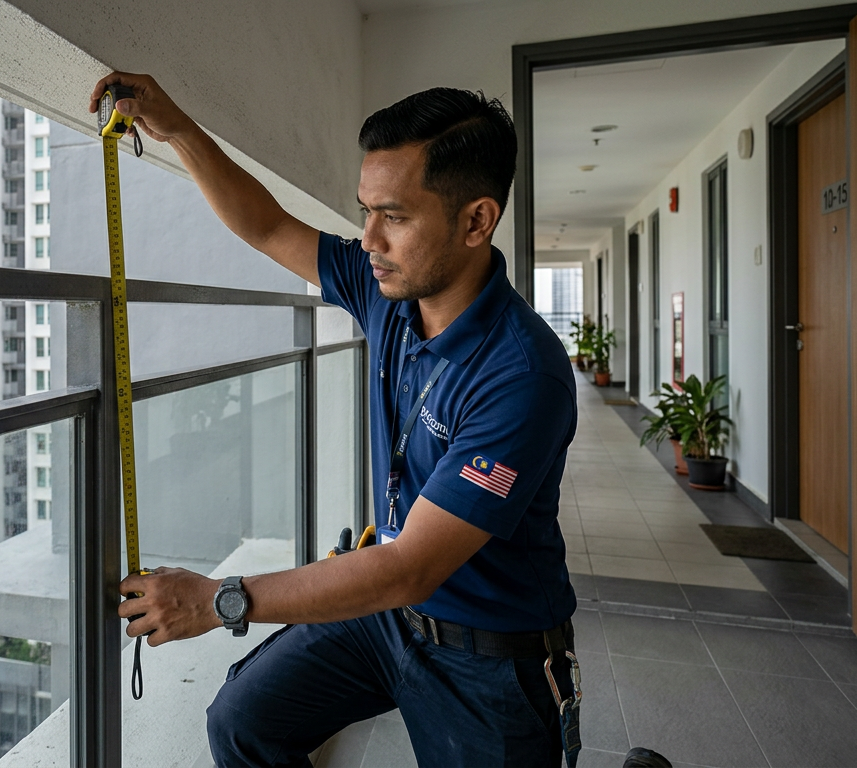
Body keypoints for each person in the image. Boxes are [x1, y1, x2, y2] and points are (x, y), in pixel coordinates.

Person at [96, 73, 581, 767]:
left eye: (396, 216)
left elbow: (410, 568)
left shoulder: (523, 375)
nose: (369, 238)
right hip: (388, 621)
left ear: (477, 221)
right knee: (243, 722)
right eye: (366, 211)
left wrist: (218, 601)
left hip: (488, 654)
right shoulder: (384, 288)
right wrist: (177, 129)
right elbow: (265, 225)